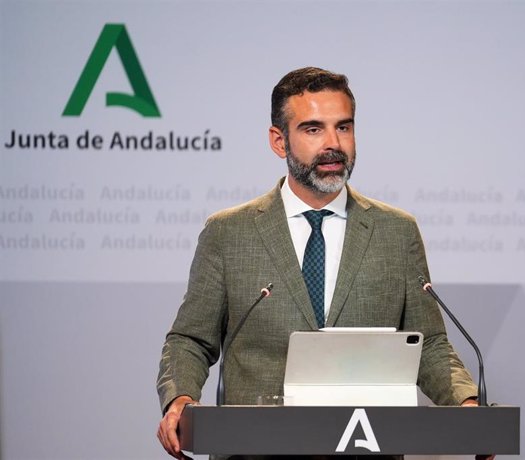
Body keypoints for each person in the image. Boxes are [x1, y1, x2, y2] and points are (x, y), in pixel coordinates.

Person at [157, 67, 483, 460]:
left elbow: (428, 343)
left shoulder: (396, 232)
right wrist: (181, 398)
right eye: (313, 129)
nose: (333, 144)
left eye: (343, 128)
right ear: (279, 141)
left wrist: (467, 406)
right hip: (254, 453)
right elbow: (191, 339)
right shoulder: (229, 233)